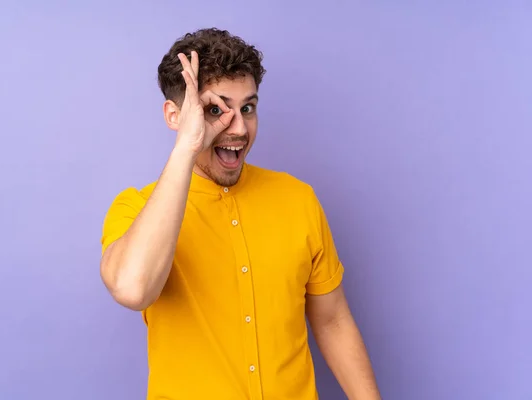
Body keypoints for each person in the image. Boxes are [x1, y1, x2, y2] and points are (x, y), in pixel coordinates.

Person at [100, 28, 381, 400]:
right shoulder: (135, 209)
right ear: (175, 115)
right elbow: (133, 289)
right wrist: (188, 145)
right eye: (214, 110)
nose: (237, 127)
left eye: (247, 108)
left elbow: (332, 320)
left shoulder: (298, 199)